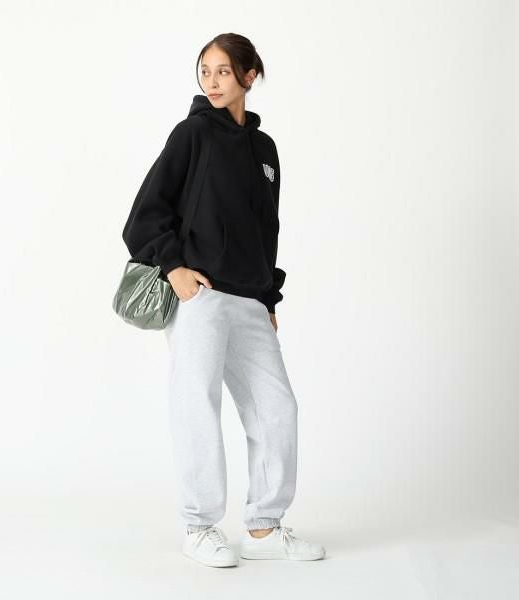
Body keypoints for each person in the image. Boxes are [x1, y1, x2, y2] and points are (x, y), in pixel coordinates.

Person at [122, 33, 326, 567]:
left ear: (249, 76)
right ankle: (199, 526)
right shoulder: (192, 134)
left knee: (277, 408)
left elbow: (266, 229)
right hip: (203, 298)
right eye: (205, 71)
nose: (211, 81)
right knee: (197, 404)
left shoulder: (265, 150)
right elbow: (145, 212)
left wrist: (269, 298)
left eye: (223, 71)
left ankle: (263, 526)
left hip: (251, 301)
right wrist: (175, 270)